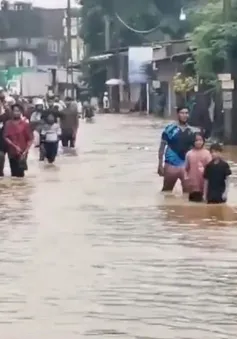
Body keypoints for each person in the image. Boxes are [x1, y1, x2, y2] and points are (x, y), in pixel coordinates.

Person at [158, 106, 199, 192]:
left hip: (186, 165)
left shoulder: (193, 131)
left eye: (186, 113)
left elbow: (196, 150)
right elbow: (162, 147)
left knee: (188, 192)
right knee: (166, 191)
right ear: (178, 114)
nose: (184, 115)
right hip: (170, 164)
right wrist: (160, 164)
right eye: (182, 113)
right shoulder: (169, 129)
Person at [4, 104, 33, 177]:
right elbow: (5, 137)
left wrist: (25, 151)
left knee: (21, 175)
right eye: (14, 111)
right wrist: (15, 146)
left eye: (18, 111)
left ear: (21, 112)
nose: (16, 113)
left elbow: (30, 139)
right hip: (12, 152)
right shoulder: (8, 124)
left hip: (22, 153)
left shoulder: (25, 124)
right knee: (13, 174)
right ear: (12, 112)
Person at [185, 132, 212, 202]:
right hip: (193, 184)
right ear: (193, 142)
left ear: (203, 141)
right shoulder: (189, 154)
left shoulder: (207, 153)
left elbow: (211, 169)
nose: (198, 142)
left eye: (200, 140)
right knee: (193, 204)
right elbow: (186, 169)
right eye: (196, 140)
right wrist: (186, 180)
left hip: (205, 184)